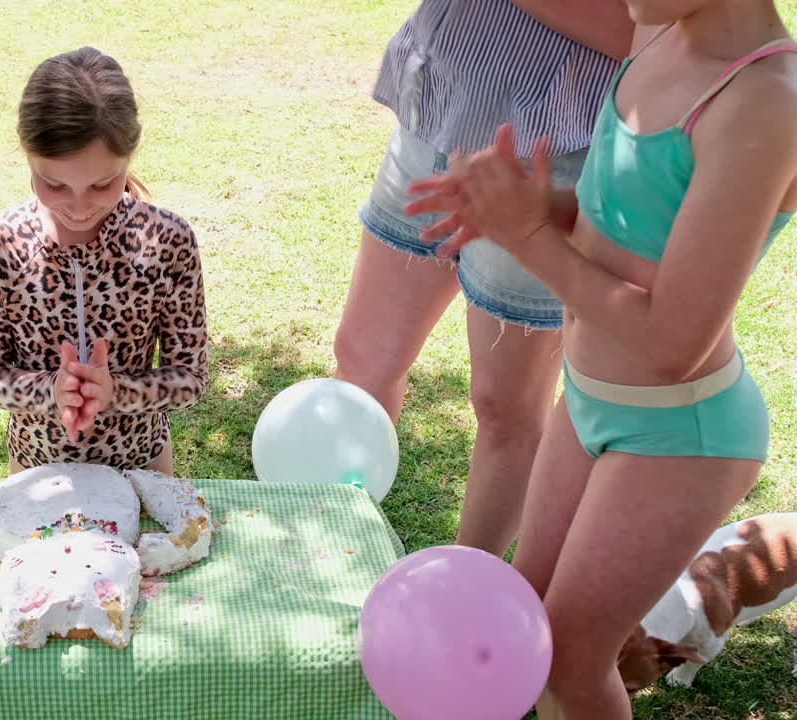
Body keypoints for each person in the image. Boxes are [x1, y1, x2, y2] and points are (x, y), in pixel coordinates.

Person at [407, 1, 797, 716]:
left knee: (575, 657)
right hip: (589, 403)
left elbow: (674, 344)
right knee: (533, 626)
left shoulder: (764, 104)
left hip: (679, 435)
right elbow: (625, 216)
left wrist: (527, 237)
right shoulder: (656, 31)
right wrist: (529, 207)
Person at [331, 0, 632, 555]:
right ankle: (335, 552)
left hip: (551, 149)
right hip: (438, 111)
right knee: (362, 356)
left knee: (505, 409)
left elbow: (645, 30)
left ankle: (469, 589)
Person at [0, 47, 209, 478]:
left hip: (142, 468)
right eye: (54, 183)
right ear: (27, 154)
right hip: (37, 470)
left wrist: (118, 393)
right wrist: (49, 391)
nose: (78, 208)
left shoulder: (168, 241)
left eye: (102, 183)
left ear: (128, 157)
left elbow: (189, 377)